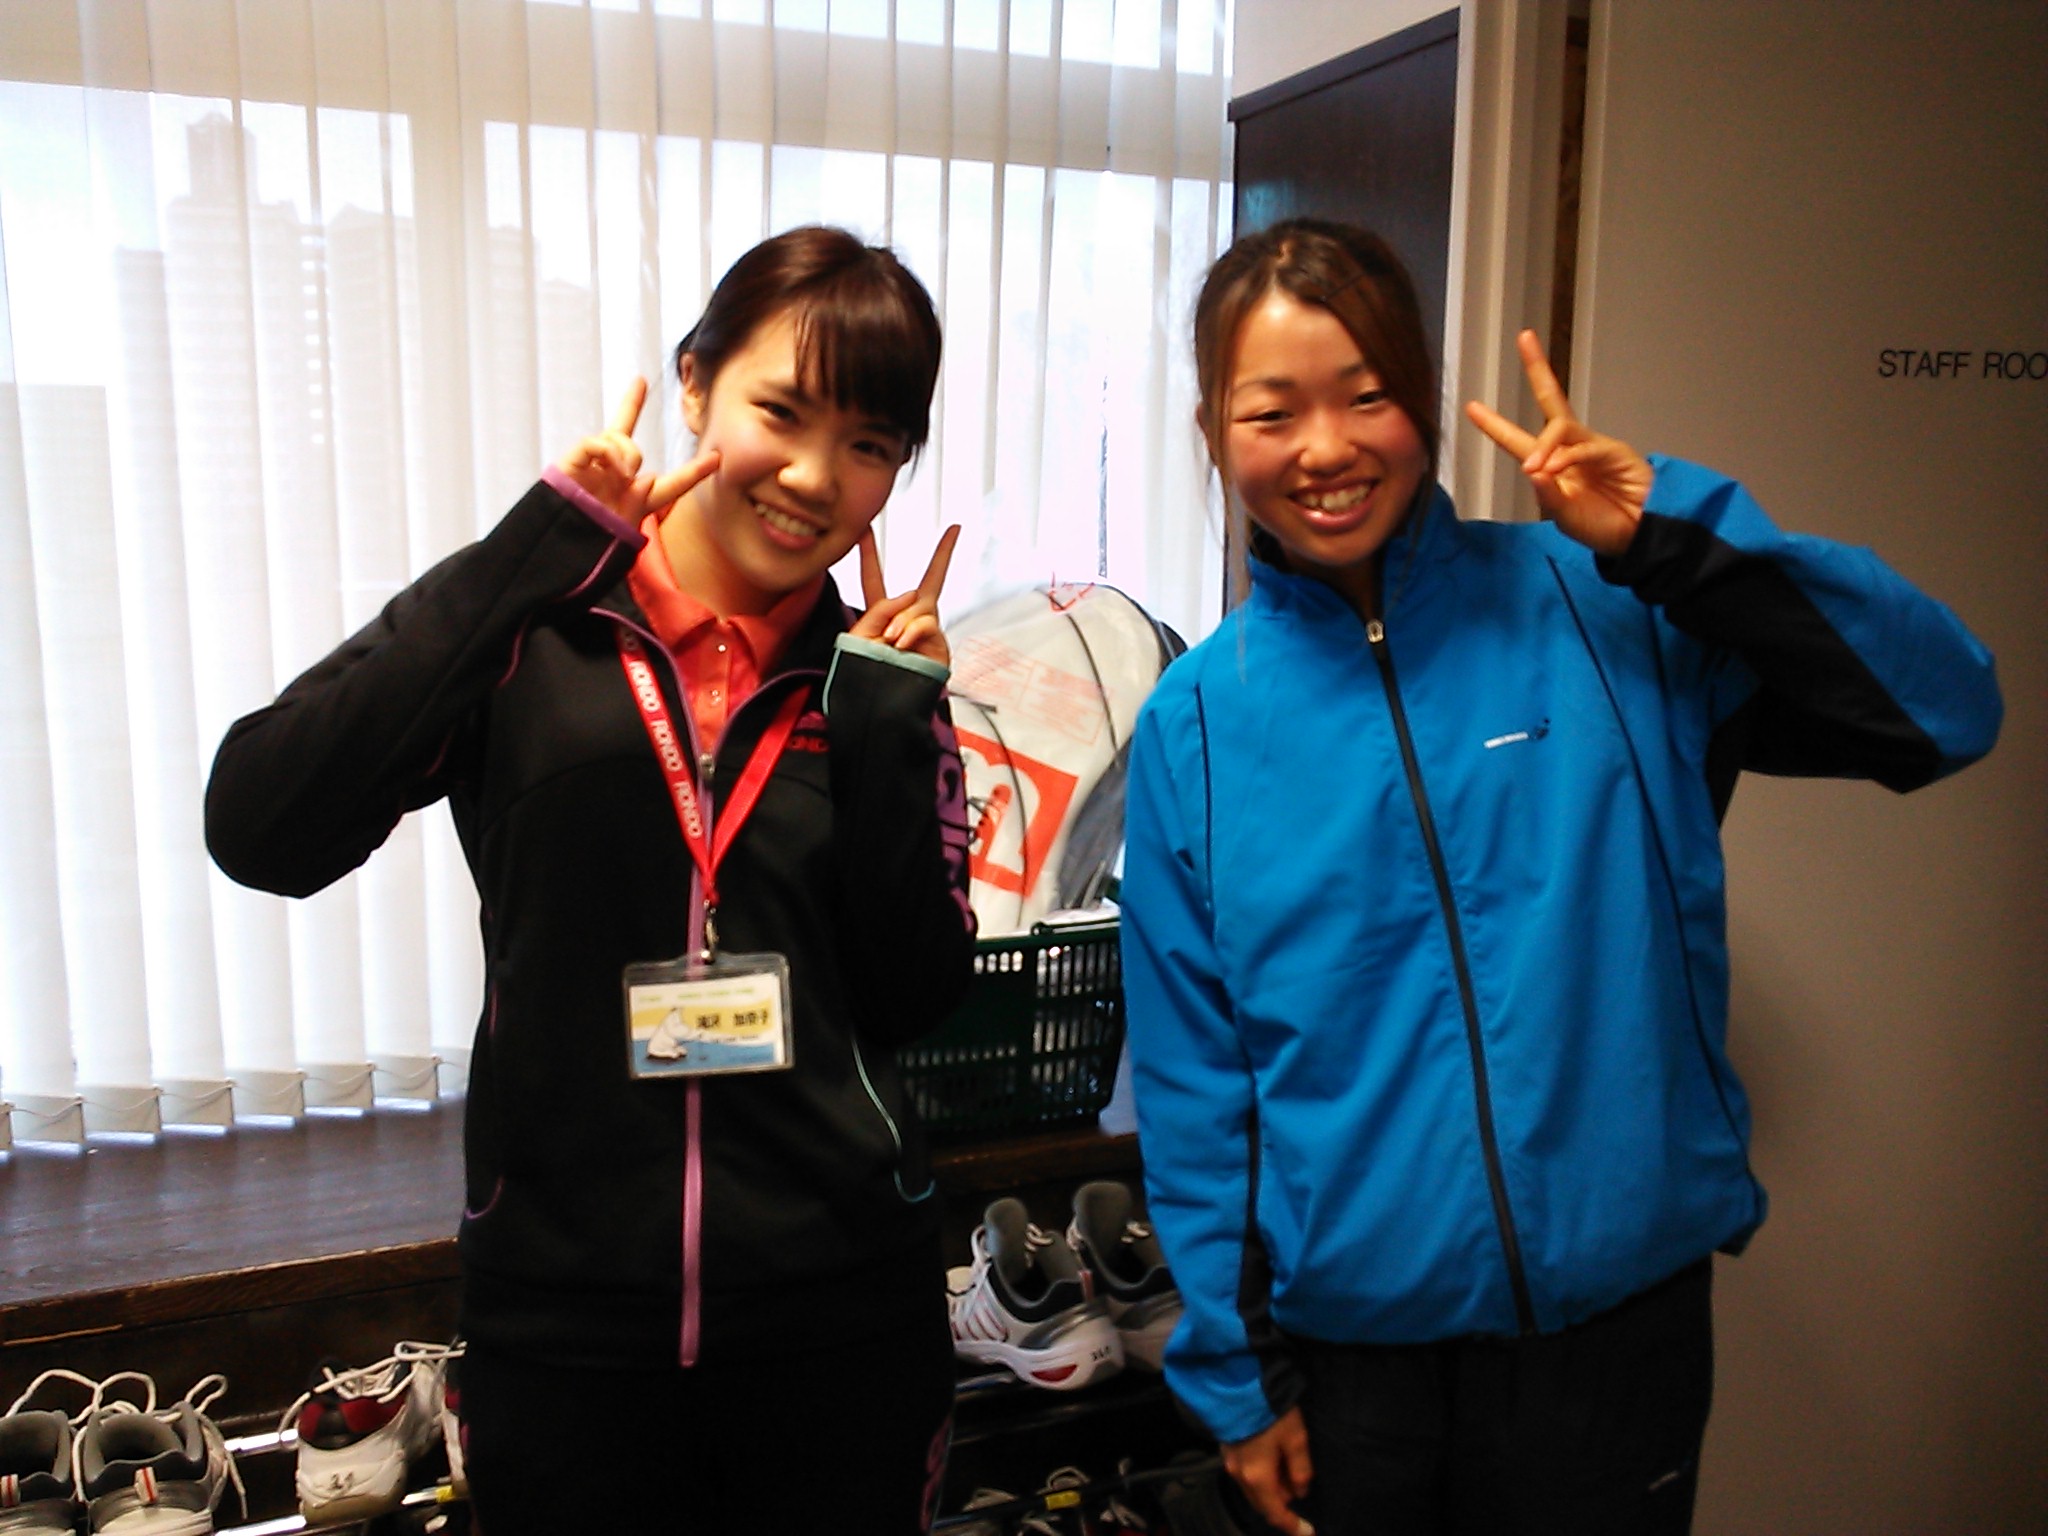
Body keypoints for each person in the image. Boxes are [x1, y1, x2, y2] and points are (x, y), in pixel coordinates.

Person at [1117, 218, 2002, 1536]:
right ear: (1212, 431)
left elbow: (1943, 712)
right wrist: (1239, 1384)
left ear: (1424, 398)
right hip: (1353, 1373)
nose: (1325, 448)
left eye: (1367, 395)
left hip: (1616, 1346)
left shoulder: (1604, 610)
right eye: (1272, 412)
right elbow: (1196, 1087)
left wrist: (1672, 539)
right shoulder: (1196, 723)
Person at [205, 226, 978, 1534]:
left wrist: (888, 731)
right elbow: (263, 824)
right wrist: (538, 546)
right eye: (781, 413)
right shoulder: (535, 639)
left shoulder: (880, 686)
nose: (814, 477)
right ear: (695, 384)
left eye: (870, 444)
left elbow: (914, 996)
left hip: (843, 1329)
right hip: (567, 1334)